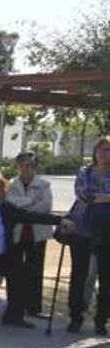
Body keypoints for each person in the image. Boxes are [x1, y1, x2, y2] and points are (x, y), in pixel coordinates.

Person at [0, 171, 69, 329]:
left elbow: (32, 216)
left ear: (3, 192)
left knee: (24, 269)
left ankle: (13, 315)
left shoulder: (7, 209)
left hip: (2, 257)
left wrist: (60, 220)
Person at [67, 136, 110, 335]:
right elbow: (83, 194)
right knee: (79, 275)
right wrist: (105, 197)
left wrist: (103, 197)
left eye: (108, 149)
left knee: (106, 278)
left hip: (107, 232)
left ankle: (101, 320)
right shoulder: (84, 172)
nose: (104, 153)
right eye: (100, 149)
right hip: (82, 230)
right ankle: (76, 317)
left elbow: (94, 197)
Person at [6, 151, 53, 318]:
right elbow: (12, 205)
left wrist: (24, 208)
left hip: (37, 233)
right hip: (17, 233)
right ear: (18, 166)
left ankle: (34, 307)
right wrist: (31, 201)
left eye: (30, 165)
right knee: (16, 269)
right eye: (23, 165)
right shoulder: (10, 184)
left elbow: (44, 207)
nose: (27, 168)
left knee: (36, 269)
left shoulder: (44, 185)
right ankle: (15, 305)